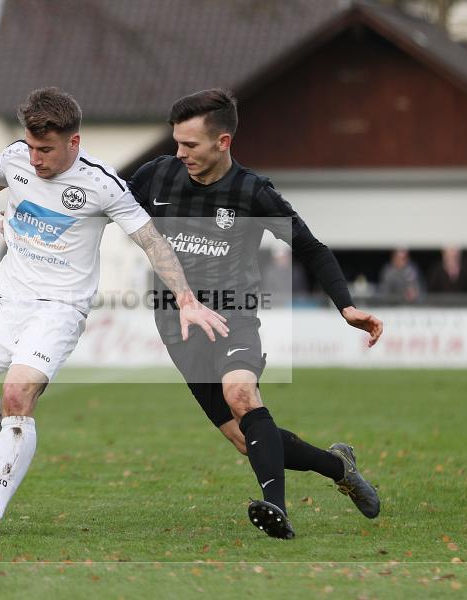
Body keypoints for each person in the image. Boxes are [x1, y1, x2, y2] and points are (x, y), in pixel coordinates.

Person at [0, 87, 227, 535]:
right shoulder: (17, 157)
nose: (35, 159)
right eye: (32, 147)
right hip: (4, 299)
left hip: (58, 309)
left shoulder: (102, 184)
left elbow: (152, 242)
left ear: (74, 142)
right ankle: (5, 442)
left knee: (17, 393)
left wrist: (187, 300)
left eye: (46, 150)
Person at [128, 89, 384, 539]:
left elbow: (310, 247)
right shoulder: (156, 176)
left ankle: (276, 510)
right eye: (177, 142)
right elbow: (101, 205)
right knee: (247, 441)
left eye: (190, 144)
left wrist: (345, 305)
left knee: (241, 394)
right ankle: (338, 467)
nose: (179, 152)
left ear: (222, 141)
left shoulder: (253, 192)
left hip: (234, 314)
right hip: (177, 322)